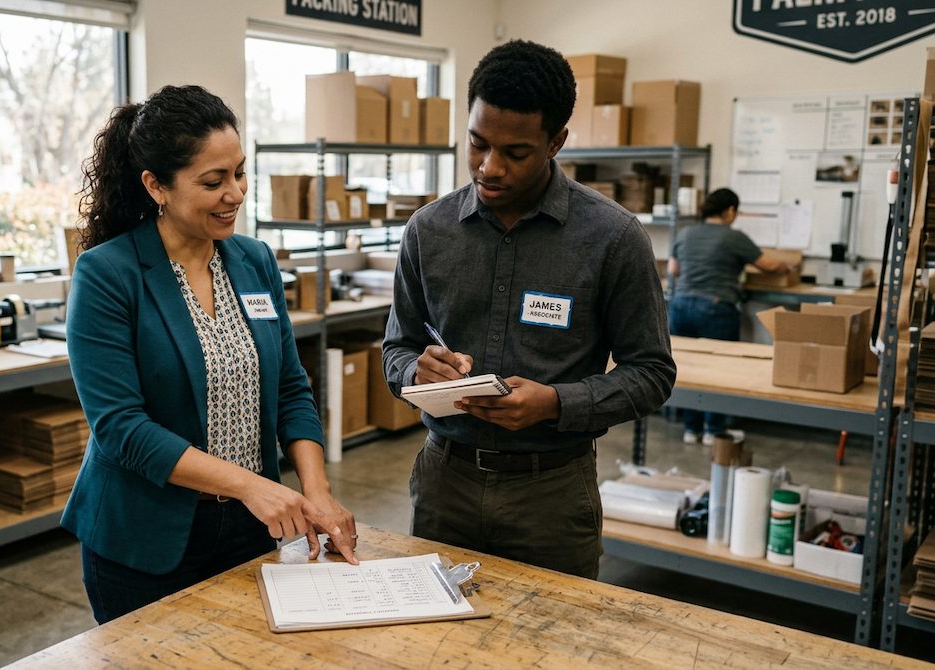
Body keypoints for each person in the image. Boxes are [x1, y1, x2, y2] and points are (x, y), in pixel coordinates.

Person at [63, 85, 357, 625]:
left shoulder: (253, 261)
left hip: (251, 528)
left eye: (239, 173)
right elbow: (121, 428)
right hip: (147, 540)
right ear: (157, 186)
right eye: (213, 181)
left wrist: (316, 492)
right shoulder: (108, 275)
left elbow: (290, 386)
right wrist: (254, 486)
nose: (236, 194)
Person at [381, 40, 676, 580]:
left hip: (552, 495)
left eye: (515, 153)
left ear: (556, 142)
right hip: (446, 482)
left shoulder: (612, 238)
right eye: (477, 144)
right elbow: (396, 348)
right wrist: (412, 371)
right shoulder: (429, 231)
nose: (489, 167)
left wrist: (557, 403)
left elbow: (652, 373)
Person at [668, 187, 790, 445]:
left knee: (689, 368)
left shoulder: (685, 233)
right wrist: (787, 266)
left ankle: (692, 429)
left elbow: (673, 269)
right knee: (718, 369)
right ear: (730, 211)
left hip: (680, 306)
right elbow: (768, 266)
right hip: (715, 307)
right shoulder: (733, 237)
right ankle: (714, 431)